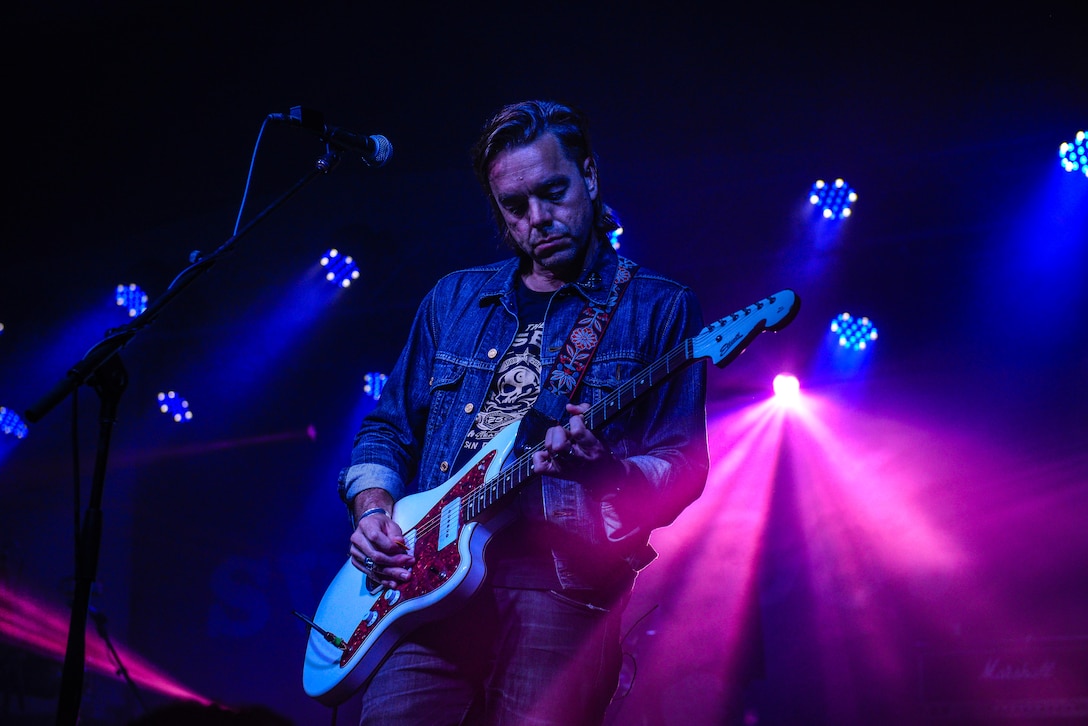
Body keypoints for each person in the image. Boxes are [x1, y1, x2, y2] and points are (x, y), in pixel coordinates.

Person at [337, 99, 709, 725]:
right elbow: (386, 429)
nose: (539, 219)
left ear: (589, 176)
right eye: (515, 206)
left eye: (554, 191)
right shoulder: (454, 299)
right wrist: (373, 512)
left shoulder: (658, 308)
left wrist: (607, 473)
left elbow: (684, 466)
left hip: (559, 584)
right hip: (424, 586)